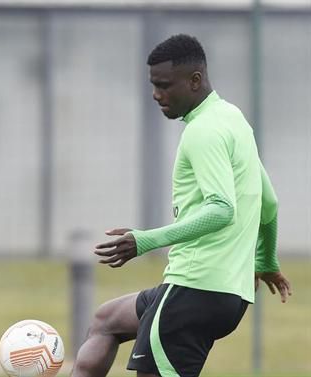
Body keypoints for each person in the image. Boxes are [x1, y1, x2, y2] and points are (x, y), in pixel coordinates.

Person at [71, 34, 292, 377]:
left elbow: (222, 209)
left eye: (164, 85)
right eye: (153, 85)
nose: (157, 94)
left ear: (195, 80)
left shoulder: (202, 131)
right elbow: (269, 202)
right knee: (106, 320)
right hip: (227, 297)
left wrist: (145, 240)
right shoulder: (233, 119)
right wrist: (266, 260)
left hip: (193, 290)